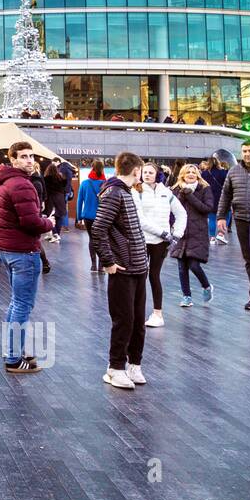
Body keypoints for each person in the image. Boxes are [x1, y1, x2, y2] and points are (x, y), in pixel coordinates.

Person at [91, 152, 150, 390]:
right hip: (123, 269)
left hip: (137, 267)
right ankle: (115, 368)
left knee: (137, 322)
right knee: (124, 320)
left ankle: (134, 365)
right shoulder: (115, 193)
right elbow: (98, 229)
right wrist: (108, 262)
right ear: (136, 171)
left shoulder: (125, 192)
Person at [0, 142, 53, 372]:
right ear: (13, 160)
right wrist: (49, 223)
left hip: (9, 249)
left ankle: (14, 350)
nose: (29, 160)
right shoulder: (21, 185)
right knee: (22, 305)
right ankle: (13, 358)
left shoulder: (4, 180)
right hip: (23, 251)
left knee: (16, 303)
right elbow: (31, 222)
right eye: (24, 157)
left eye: (31, 156)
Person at [216, 142, 250, 310]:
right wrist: (221, 216)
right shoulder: (234, 171)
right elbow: (226, 194)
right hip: (241, 220)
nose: (247, 154)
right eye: (244, 151)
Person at [134, 162, 186, 328]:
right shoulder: (137, 191)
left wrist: (176, 234)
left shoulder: (166, 192)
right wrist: (163, 232)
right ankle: (137, 313)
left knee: (154, 276)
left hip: (160, 243)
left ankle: (158, 314)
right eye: (144, 172)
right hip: (141, 240)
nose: (147, 175)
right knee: (139, 277)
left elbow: (181, 213)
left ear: (157, 174)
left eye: (150, 172)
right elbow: (139, 219)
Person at [170, 163, 215, 306]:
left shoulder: (204, 189)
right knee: (182, 267)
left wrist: (189, 195)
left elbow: (206, 208)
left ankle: (206, 285)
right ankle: (186, 296)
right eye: (188, 172)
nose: (190, 174)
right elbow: (173, 209)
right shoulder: (176, 189)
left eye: (193, 172)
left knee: (194, 265)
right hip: (181, 231)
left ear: (197, 175)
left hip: (198, 231)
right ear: (182, 174)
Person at [77, 160, 106, 271]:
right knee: (102, 240)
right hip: (102, 217)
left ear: (92, 168)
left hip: (88, 216)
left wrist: (79, 217)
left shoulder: (85, 183)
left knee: (92, 239)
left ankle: (93, 265)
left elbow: (80, 201)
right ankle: (101, 266)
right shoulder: (106, 183)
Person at [42, 157, 70, 239]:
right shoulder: (62, 178)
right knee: (59, 217)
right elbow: (65, 188)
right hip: (60, 199)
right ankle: (57, 234)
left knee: (50, 216)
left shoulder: (45, 179)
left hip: (50, 199)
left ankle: (54, 233)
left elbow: (45, 191)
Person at [203, 156, 229, 242]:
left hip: (209, 198)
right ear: (218, 162)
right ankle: (221, 234)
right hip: (222, 198)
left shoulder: (204, 173)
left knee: (212, 218)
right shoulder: (224, 172)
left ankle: (212, 238)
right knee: (226, 215)